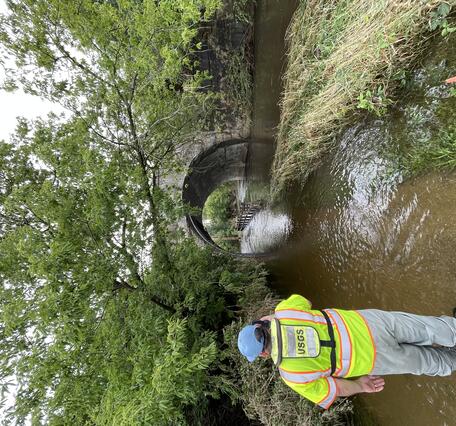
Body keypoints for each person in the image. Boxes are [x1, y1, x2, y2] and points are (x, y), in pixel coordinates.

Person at [237, 294, 456, 409]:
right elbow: (306, 301)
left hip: (374, 360)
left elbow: (337, 388)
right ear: (261, 324)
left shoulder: (291, 376)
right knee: (431, 329)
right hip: (369, 324)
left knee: (431, 363)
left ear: (263, 355)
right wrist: (274, 318)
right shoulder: (285, 311)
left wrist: (361, 385)